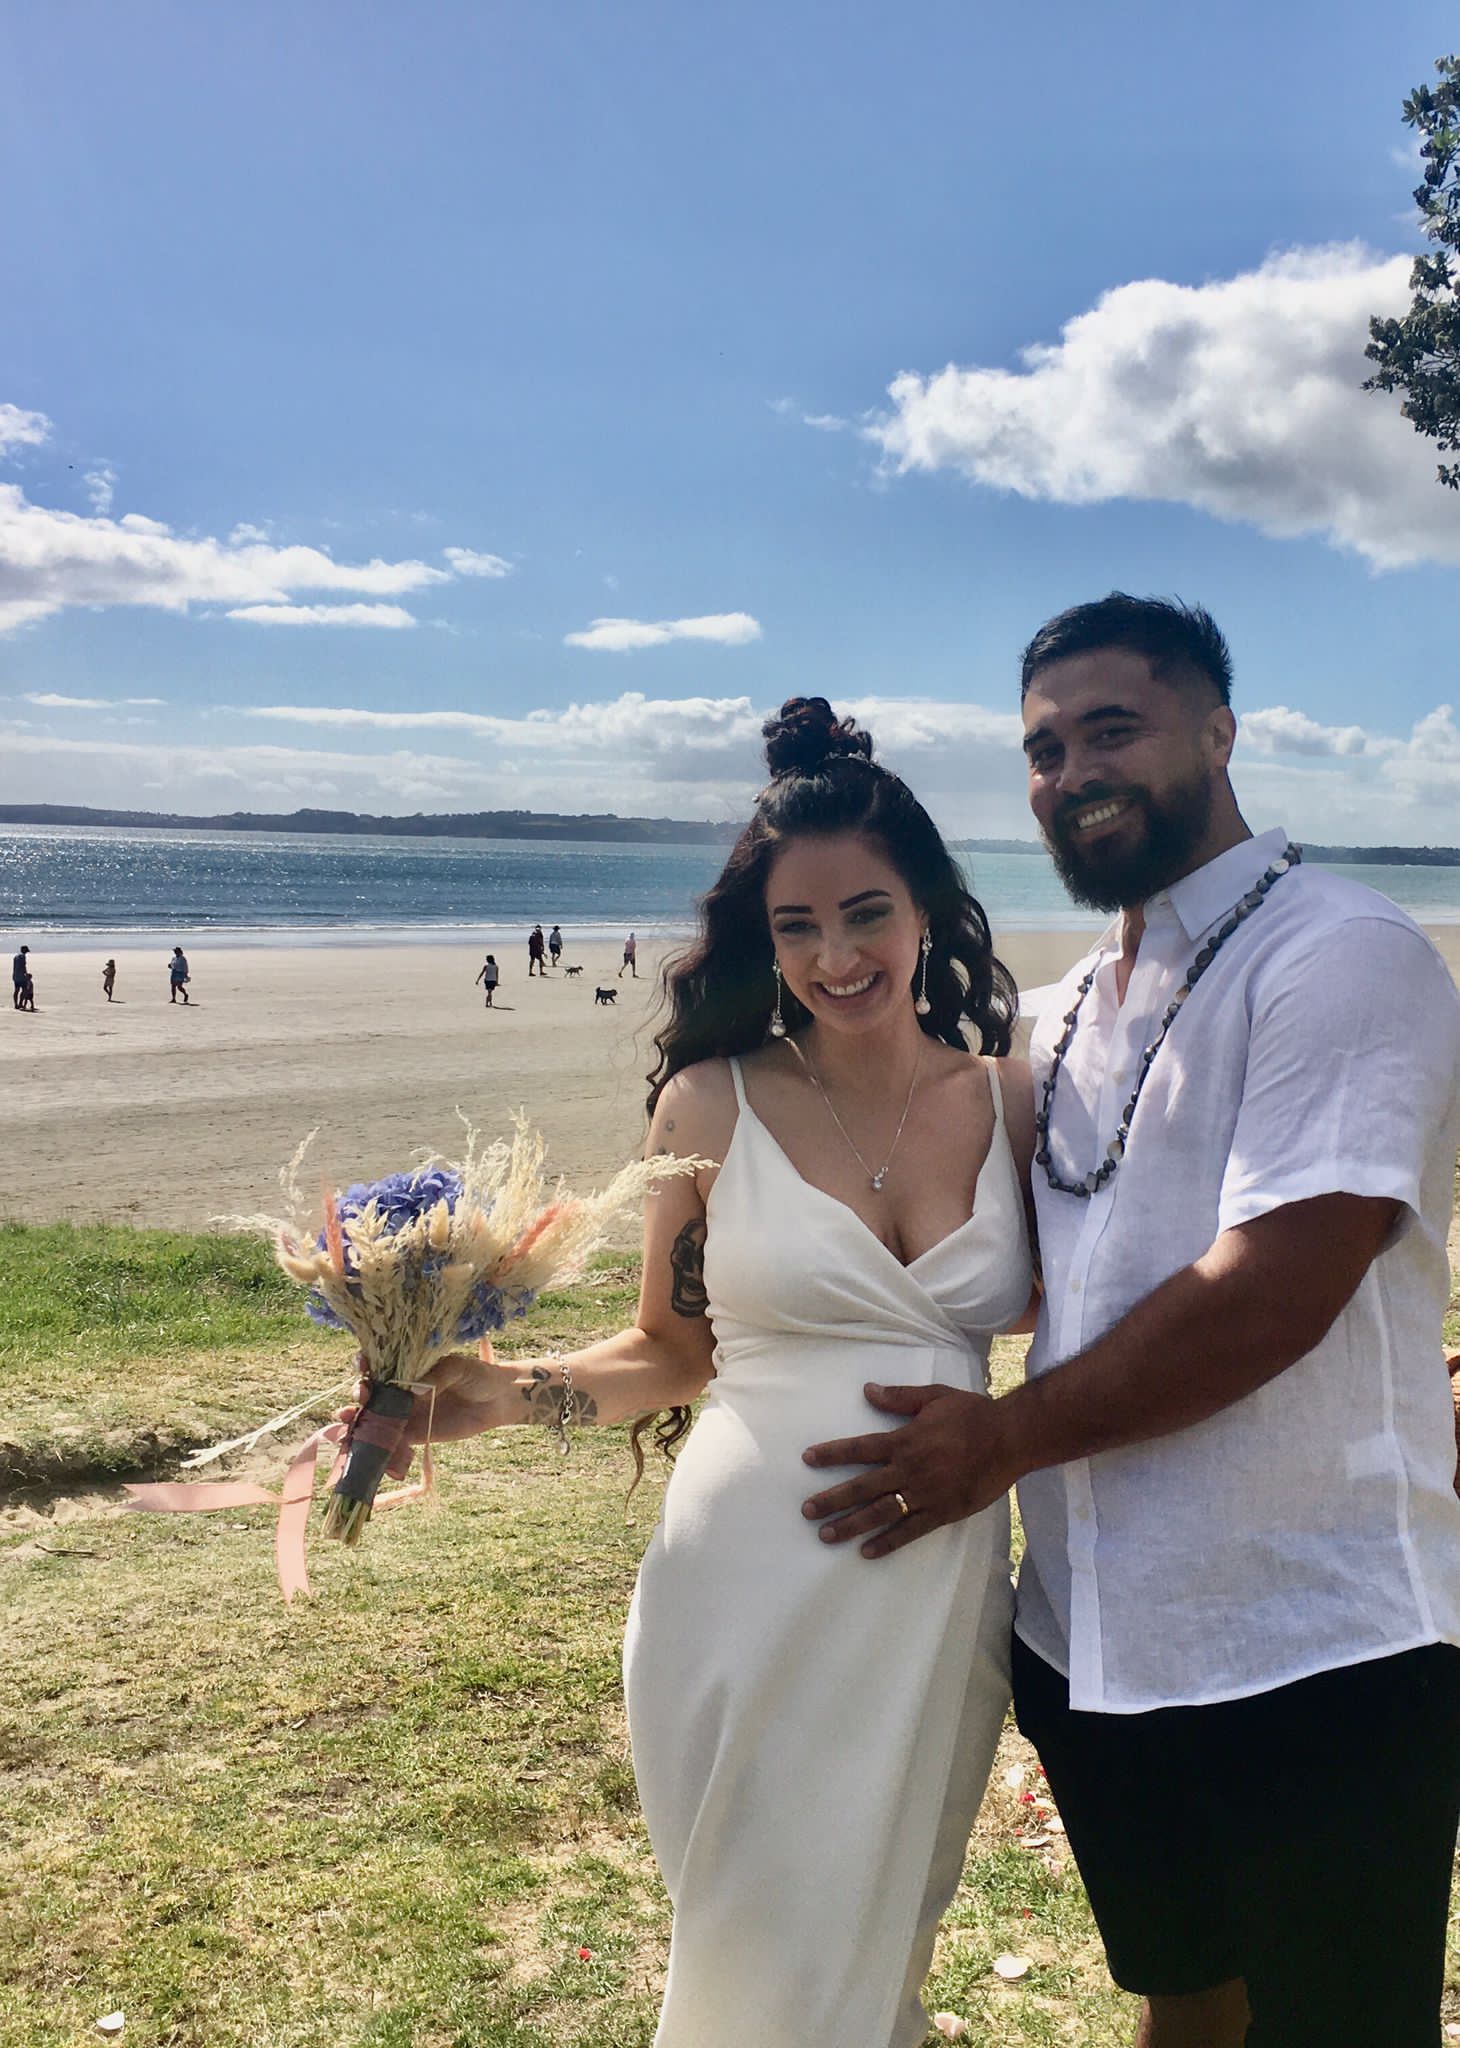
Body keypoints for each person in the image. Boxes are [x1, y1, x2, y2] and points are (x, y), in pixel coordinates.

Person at [801, 595, 1460, 2048]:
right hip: (1092, 1636)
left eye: (1114, 729)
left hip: (1313, 1640)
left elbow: (1282, 1283)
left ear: (1218, 732)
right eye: (1042, 749)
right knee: (1183, 2010)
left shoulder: (1340, 952)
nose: (1072, 771)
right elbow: (970, 1228)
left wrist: (1003, 1440)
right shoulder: (1059, 1011)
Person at [345, 698, 1034, 2047]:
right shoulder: (710, 1103)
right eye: (796, 927)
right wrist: (503, 1391)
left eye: (867, 913)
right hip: (746, 1581)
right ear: (759, 939)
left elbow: (1087, 1330)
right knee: (751, 1961)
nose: (836, 956)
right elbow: (672, 1352)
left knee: (886, 1949)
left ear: (931, 908)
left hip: (940, 1591)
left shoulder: (1011, 1099)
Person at [12, 943, 29, 1010]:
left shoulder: (15, 956)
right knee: (24, 990)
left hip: (15, 975)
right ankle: (20, 1003)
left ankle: (16, 1004)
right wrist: (26, 974)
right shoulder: (23, 956)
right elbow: (23, 966)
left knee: (16, 990)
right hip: (21, 976)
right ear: (24, 950)